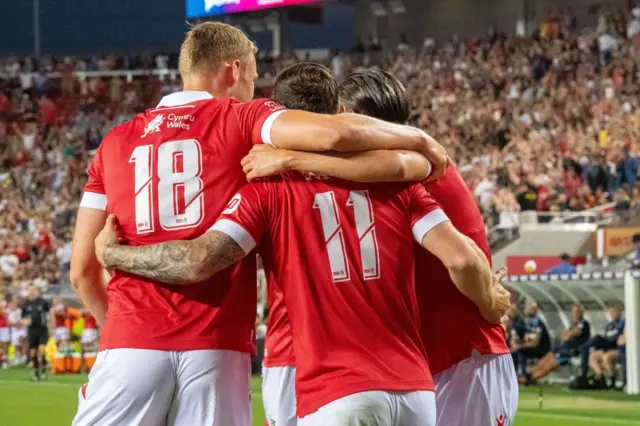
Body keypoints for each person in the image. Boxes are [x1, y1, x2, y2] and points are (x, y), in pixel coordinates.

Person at [70, 23, 449, 426]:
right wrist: (420, 139)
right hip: (216, 348)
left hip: (130, 340)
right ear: (233, 71)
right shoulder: (244, 117)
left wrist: (123, 332)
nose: (254, 85)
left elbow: (82, 272)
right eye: (252, 75)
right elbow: (335, 134)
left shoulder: (114, 142)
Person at [241, 69, 518, 426]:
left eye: (345, 122)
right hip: (420, 367)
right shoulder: (385, 176)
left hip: (464, 357)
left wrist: (490, 301)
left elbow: (462, 259)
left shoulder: (413, 171)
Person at [531, 303, 590, 380]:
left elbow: (571, 334)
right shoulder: (573, 324)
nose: (575, 314)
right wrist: (568, 334)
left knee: (550, 364)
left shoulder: (584, 323)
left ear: (581, 312)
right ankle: (530, 376)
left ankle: (533, 379)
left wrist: (568, 334)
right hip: (562, 348)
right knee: (545, 358)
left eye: (577, 312)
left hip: (570, 351)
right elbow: (563, 336)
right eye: (574, 312)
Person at [580, 303, 625, 389]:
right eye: (610, 312)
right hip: (608, 347)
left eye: (614, 312)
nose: (612, 314)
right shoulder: (610, 324)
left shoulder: (623, 322)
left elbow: (616, 338)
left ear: (620, 311)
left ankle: (612, 383)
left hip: (618, 349)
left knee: (606, 356)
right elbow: (608, 337)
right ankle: (601, 380)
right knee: (592, 357)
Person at [511, 301, 551, 385]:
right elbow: (517, 334)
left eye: (533, 309)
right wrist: (516, 340)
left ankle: (524, 376)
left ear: (537, 311)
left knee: (518, 350)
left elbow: (535, 343)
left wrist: (519, 346)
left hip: (541, 350)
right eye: (529, 308)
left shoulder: (539, 324)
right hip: (529, 347)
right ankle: (516, 375)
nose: (530, 310)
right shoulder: (525, 323)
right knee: (514, 350)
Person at [21, 285, 50, 381]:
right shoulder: (25, 304)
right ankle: (36, 372)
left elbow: (49, 314)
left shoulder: (43, 302)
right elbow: (23, 317)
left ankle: (44, 367)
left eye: (34, 290)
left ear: (37, 291)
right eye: (30, 290)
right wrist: (25, 321)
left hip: (42, 330)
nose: (32, 291)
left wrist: (51, 326)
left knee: (41, 351)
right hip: (32, 331)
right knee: (33, 353)